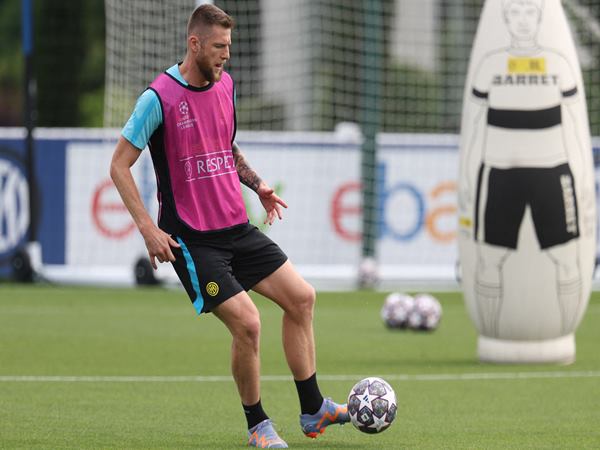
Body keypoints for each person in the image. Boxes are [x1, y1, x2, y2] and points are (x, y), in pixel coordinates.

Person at [110, 4, 348, 448]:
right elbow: (118, 165)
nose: (226, 55)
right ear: (194, 43)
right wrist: (147, 229)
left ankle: (314, 408)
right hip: (193, 239)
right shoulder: (158, 98)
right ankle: (258, 426)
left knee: (302, 298)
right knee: (248, 323)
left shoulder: (226, 86)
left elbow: (225, 146)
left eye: (229, 46)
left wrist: (258, 185)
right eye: (219, 46)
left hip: (236, 227)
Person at [459, 0, 592, 337]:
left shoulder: (559, 63)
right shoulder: (490, 64)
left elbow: (576, 126)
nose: (522, 20)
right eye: (514, 13)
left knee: (566, 259)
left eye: (529, 12)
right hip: (500, 174)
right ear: (505, 18)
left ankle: (561, 333)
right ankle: (493, 335)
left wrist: (582, 180)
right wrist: (468, 178)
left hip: (553, 173)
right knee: (490, 260)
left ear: (539, 16)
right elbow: (474, 126)